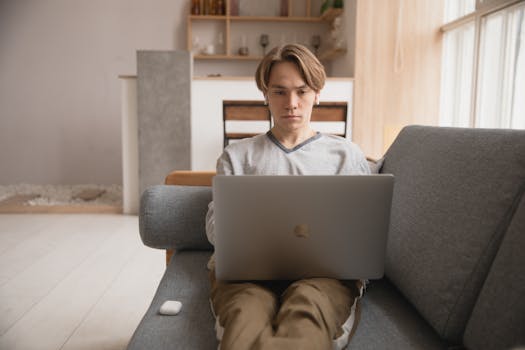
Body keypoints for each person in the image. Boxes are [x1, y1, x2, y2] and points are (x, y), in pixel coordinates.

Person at [205, 43, 370, 350]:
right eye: (279, 91)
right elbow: (216, 227)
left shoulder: (345, 155)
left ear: (317, 94)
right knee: (246, 317)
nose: (291, 103)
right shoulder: (237, 155)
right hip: (246, 274)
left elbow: (362, 229)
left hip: (324, 276)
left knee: (307, 314)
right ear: (265, 95)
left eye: (302, 91)